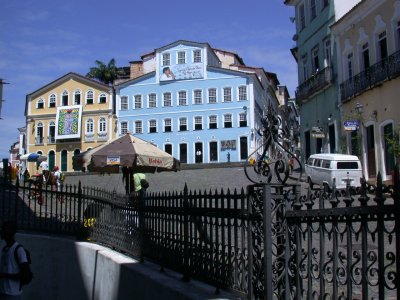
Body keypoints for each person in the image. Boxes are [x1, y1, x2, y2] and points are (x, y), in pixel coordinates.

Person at [0, 221, 30, 299]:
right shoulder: (5, 249)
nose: (1, 231)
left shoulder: (19, 250)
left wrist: (4, 275)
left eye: (4, 229)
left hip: (13, 294)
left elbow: (25, 274)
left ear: (11, 232)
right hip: (3, 292)